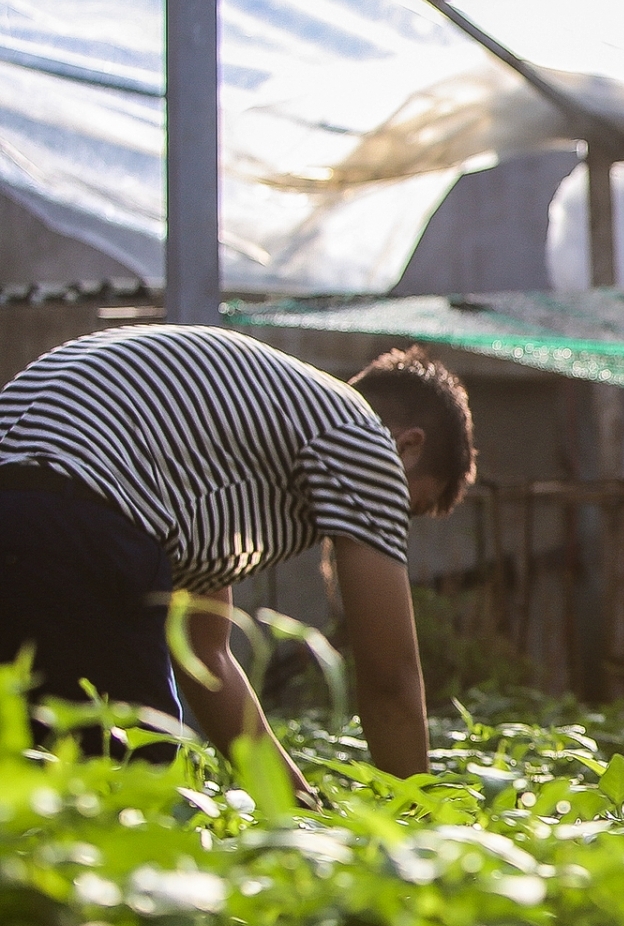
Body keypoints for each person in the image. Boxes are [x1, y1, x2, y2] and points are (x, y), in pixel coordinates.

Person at [0, 324, 475, 802]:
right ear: (408, 447)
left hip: (39, 511)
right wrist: (418, 824)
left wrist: (299, 805)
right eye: (405, 507)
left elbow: (208, 658)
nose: (389, 527)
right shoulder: (364, 437)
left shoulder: (219, 440)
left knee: (27, 780)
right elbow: (390, 679)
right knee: (131, 792)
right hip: (75, 525)